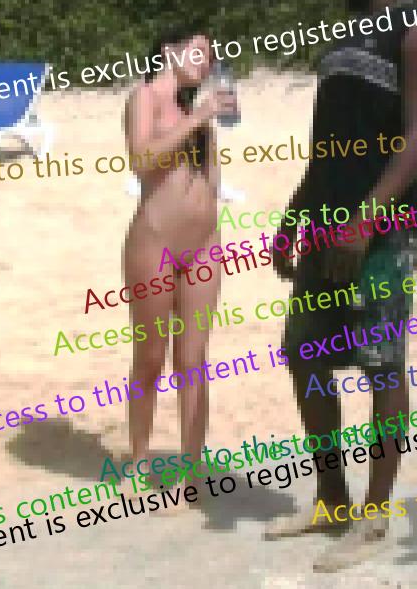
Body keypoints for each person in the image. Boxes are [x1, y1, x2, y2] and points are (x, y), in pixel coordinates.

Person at [262, 0, 417, 572]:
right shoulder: (346, 37)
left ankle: (374, 515)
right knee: (305, 355)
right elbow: (327, 145)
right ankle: (332, 499)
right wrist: (295, 216)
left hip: (384, 226)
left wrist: (366, 218)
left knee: (380, 364)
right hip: (324, 221)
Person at [122, 31, 236, 505]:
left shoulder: (197, 113)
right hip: (155, 243)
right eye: (198, 51)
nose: (206, 62)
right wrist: (197, 119)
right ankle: (139, 461)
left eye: (210, 57)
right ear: (169, 51)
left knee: (193, 360)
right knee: (151, 357)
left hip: (204, 247)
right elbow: (141, 158)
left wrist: (205, 122)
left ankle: (191, 470)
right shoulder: (144, 98)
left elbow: (211, 180)